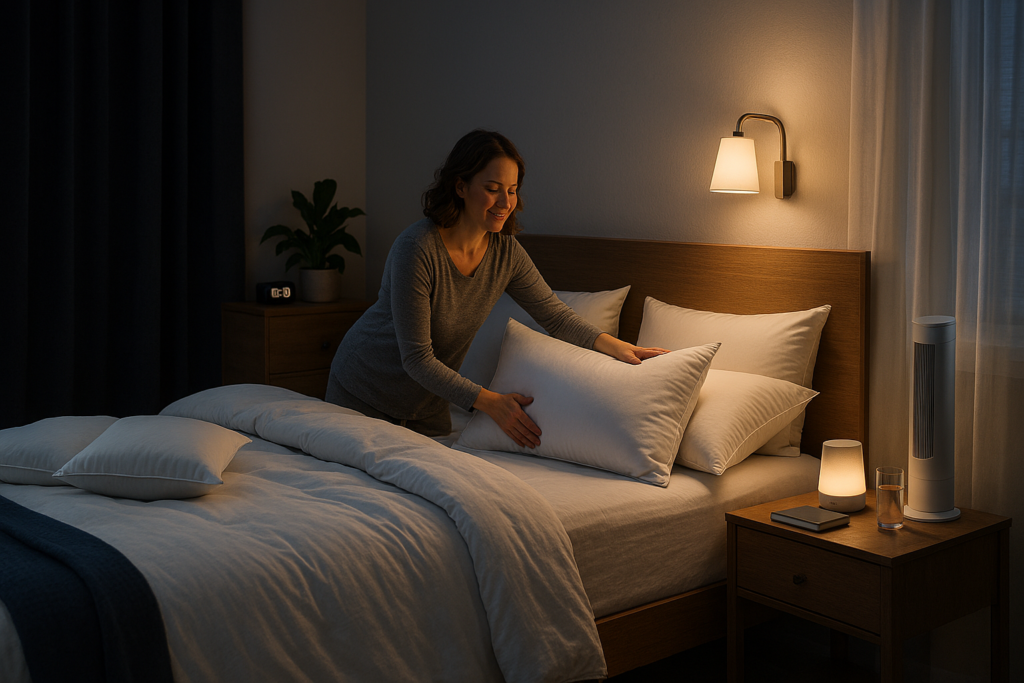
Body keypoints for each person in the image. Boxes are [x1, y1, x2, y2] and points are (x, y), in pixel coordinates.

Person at [326, 129, 666, 447]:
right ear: (460, 186)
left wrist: (618, 346)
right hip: (364, 388)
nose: (506, 202)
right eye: (493, 189)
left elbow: (555, 316)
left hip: (426, 404)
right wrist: (492, 403)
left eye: (513, 190)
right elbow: (417, 359)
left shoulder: (506, 252)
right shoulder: (417, 249)